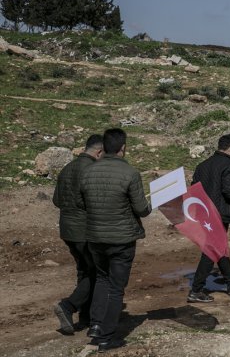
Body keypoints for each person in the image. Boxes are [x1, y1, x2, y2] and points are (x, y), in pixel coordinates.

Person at [77, 128, 151, 351]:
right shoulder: (130, 173)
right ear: (123, 147)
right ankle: (106, 337)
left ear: (103, 147)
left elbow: (81, 203)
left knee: (102, 279)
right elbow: (142, 209)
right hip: (121, 239)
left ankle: (96, 325)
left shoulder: (88, 172)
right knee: (117, 288)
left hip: (95, 237)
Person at [52, 134, 104, 334]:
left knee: (84, 270)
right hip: (85, 231)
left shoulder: (67, 168)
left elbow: (57, 200)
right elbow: (94, 203)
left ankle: (85, 317)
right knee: (97, 272)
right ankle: (69, 306)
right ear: (99, 152)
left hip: (67, 230)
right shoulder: (92, 170)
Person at [188, 134, 230, 303]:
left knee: (218, 246)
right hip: (220, 214)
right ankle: (196, 289)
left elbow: (194, 188)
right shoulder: (229, 164)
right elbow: (229, 190)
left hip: (204, 214)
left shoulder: (202, 165)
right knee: (212, 249)